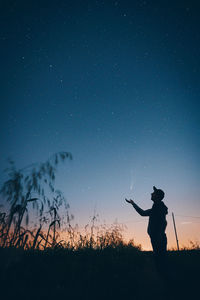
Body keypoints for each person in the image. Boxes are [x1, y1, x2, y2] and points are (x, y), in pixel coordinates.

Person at [125, 186, 168, 273]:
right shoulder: (156, 208)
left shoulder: (158, 208)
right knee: (160, 260)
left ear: (157, 196)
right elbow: (143, 213)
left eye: (154, 193)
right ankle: (163, 279)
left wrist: (158, 235)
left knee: (160, 261)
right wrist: (133, 203)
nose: (151, 194)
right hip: (157, 237)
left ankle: (164, 282)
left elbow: (163, 223)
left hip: (158, 238)